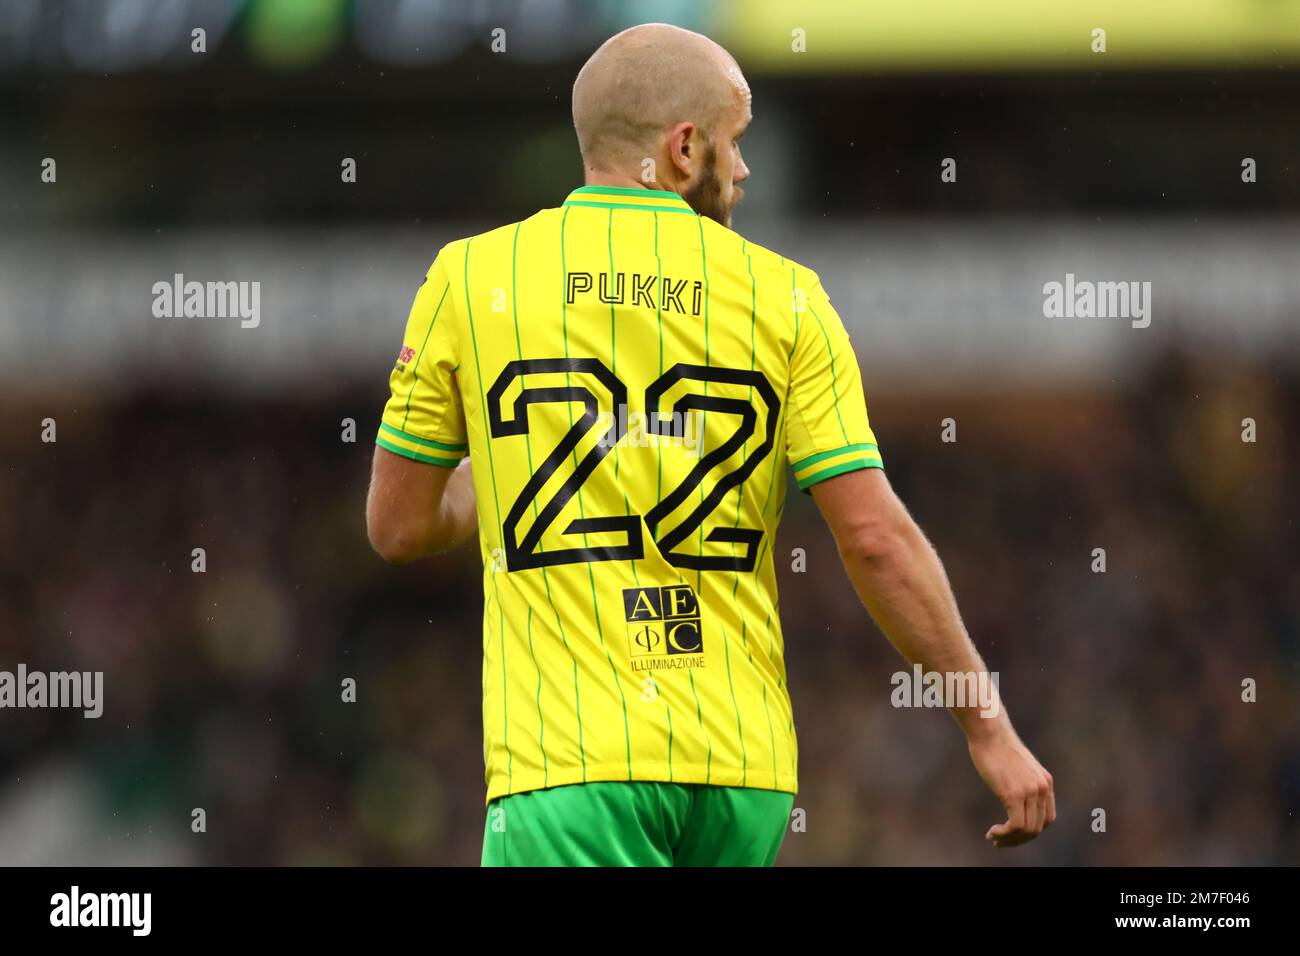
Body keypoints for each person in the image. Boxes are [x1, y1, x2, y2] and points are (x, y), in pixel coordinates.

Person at [366, 22, 1054, 866]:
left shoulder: (471, 279)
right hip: (742, 778)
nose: (744, 167)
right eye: (736, 142)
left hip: (571, 772)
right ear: (684, 147)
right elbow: (875, 539)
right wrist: (988, 727)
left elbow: (399, 528)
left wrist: (501, 472)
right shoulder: (788, 298)